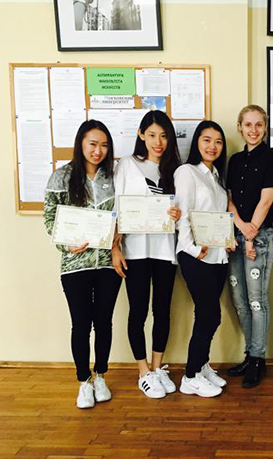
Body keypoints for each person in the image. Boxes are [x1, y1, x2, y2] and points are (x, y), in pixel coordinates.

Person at [43, 120, 121, 409]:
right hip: (75, 265)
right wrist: (67, 245)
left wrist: (117, 247)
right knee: (81, 324)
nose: (98, 151)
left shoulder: (114, 177)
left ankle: (100, 376)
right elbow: (50, 219)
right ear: (81, 144)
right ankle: (83, 381)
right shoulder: (61, 177)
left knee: (104, 322)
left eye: (104, 145)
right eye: (93, 144)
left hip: (108, 265)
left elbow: (122, 217)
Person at [112, 110, 182, 399]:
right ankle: (143, 371)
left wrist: (177, 214)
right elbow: (116, 208)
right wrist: (115, 248)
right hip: (136, 251)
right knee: (138, 311)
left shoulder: (175, 169)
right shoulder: (127, 165)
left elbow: (181, 210)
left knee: (162, 310)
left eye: (164, 136)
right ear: (141, 134)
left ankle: (156, 367)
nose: (158, 142)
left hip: (165, 250)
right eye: (152, 135)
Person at [226, 105, 273, 388]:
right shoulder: (235, 160)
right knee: (240, 300)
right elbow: (229, 199)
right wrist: (240, 227)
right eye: (248, 124)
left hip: (259, 237)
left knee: (257, 300)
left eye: (259, 124)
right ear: (240, 126)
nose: (253, 130)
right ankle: (250, 354)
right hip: (235, 237)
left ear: (265, 127)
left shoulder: (272, 158)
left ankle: (259, 358)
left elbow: (266, 200)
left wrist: (250, 235)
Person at [174, 121, 231, 398]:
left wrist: (227, 244)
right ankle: (190, 376)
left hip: (218, 257)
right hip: (196, 256)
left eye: (218, 141)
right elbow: (182, 214)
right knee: (209, 314)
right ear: (197, 142)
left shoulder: (217, 178)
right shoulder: (187, 172)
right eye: (207, 140)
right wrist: (193, 249)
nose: (212, 146)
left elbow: (219, 219)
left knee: (208, 316)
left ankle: (202, 365)